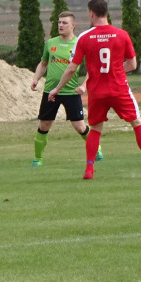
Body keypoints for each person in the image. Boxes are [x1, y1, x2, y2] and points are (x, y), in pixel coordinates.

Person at [48, 0, 141, 180]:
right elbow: (132, 64)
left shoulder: (85, 37)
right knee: (136, 122)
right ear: (106, 12)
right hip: (119, 87)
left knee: (95, 129)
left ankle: (89, 169)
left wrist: (57, 88)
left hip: (97, 91)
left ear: (91, 14)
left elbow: (72, 68)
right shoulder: (121, 34)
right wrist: (116, 69)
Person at [29, 11, 100, 166]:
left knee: (80, 127)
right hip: (50, 91)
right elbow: (43, 63)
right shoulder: (50, 43)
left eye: (64, 23)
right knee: (44, 125)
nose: (60, 25)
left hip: (71, 92)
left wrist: (84, 85)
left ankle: (97, 150)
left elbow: (93, 67)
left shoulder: (79, 44)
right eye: (59, 22)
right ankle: (38, 159)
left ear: (73, 25)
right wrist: (36, 78)